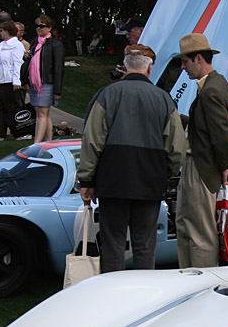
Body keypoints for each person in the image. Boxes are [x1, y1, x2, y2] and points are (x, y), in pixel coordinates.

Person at [77, 44, 187, 273]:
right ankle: (143, 297)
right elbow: (176, 147)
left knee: (113, 244)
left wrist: (86, 180)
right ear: (149, 69)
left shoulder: (106, 95)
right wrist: (166, 172)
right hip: (150, 182)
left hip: (112, 181)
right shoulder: (164, 100)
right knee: (145, 245)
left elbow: (92, 140)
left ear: (125, 67)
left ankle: (113, 297)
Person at [176, 32, 228, 268]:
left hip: (202, 168)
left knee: (200, 234)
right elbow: (211, 129)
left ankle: (203, 289)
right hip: (200, 166)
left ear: (198, 58)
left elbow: (222, 135)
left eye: (185, 62)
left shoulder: (211, 89)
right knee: (187, 226)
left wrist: (225, 167)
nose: (183, 67)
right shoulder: (212, 85)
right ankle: (188, 282)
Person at [25, 14, 64, 143]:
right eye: (37, 26)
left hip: (47, 82)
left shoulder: (55, 45)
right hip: (35, 81)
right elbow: (31, 61)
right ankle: (48, 140)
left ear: (49, 28)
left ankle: (37, 142)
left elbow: (58, 68)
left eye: (42, 26)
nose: (39, 28)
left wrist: (57, 90)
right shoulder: (35, 42)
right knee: (42, 112)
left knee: (42, 112)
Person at [0, 21, 26, 141]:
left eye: (2, 30)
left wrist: (16, 81)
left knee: (12, 107)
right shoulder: (0, 46)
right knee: (0, 108)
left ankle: (19, 132)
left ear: (8, 31)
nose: (0, 33)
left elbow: (17, 63)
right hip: (0, 80)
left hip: (10, 80)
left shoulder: (17, 45)